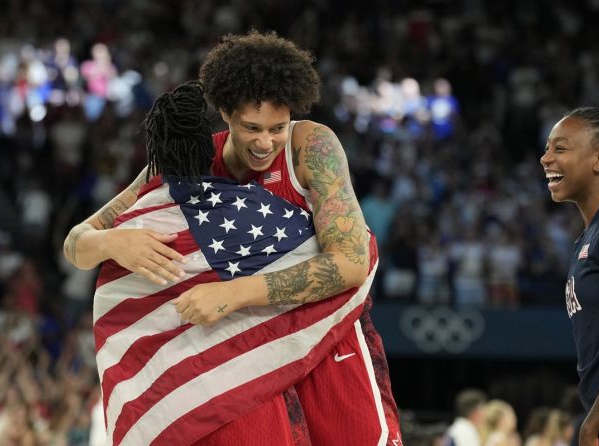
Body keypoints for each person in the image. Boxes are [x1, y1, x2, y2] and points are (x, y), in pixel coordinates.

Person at [64, 31, 402, 445]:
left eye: (277, 127)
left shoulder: (310, 145)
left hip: (322, 334)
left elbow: (352, 261)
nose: (265, 142)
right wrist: (112, 244)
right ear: (225, 113)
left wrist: (236, 293)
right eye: (252, 128)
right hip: (238, 354)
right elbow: (76, 242)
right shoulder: (188, 161)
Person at [540, 93, 599, 446]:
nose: (545, 158)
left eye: (560, 149)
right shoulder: (590, 236)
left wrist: (591, 425)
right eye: (547, 148)